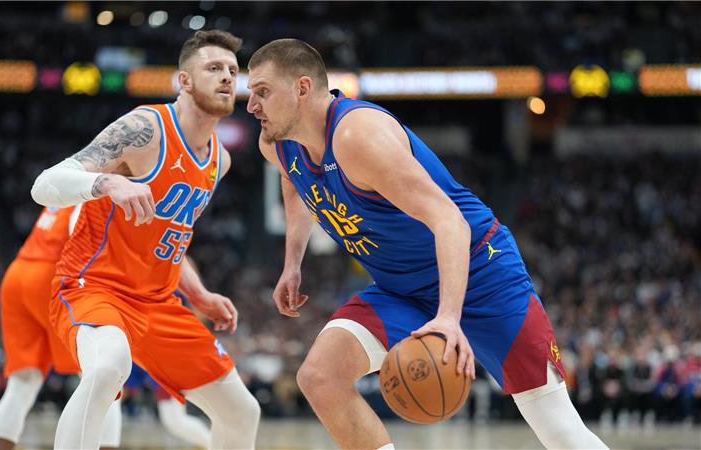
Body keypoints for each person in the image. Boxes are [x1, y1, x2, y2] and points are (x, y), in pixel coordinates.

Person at [246, 38, 608, 450]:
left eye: (262, 92)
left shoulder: (358, 137)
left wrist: (449, 317)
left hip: (480, 273)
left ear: (302, 88)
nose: (251, 105)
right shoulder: (276, 142)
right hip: (402, 289)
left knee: (560, 430)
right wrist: (293, 262)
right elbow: (292, 182)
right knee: (319, 377)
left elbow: (450, 222)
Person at [30, 30, 260, 450]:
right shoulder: (145, 128)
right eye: (213, 68)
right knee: (106, 369)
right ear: (184, 81)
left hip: (160, 301)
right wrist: (105, 184)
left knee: (242, 411)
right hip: (97, 288)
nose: (227, 77)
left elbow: (173, 238)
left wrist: (201, 294)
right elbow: (43, 185)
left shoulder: (219, 160)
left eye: (232, 70)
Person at [0, 206, 122, 450]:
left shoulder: (76, 174)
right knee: (106, 378)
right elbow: (77, 230)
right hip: (49, 276)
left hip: (17, 273)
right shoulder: (102, 183)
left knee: (22, 384)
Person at [124, 363, 212, 449]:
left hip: (167, 380)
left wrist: (130, 388)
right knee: (173, 422)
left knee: (177, 421)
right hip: (161, 381)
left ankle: (209, 443)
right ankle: (206, 443)